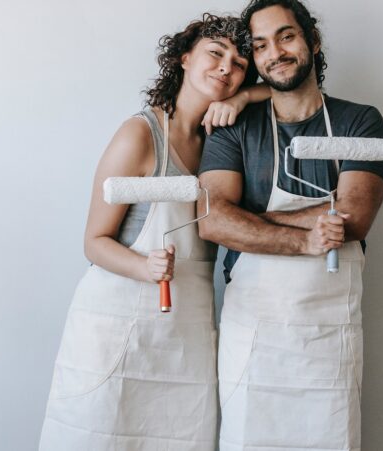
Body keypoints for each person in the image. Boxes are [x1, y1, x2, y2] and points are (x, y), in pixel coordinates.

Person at [39, 14, 268, 450]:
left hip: (187, 334)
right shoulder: (140, 135)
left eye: (239, 63)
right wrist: (145, 267)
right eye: (215, 53)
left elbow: (287, 91)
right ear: (184, 58)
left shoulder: (222, 143)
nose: (226, 67)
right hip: (116, 326)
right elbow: (93, 241)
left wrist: (244, 100)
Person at [197, 1, 383, 450]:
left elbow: (354, 218)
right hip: (253, 333)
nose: (274, 52)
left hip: (329, 339)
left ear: (312, 41)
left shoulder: (359, 120)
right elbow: (212, 220)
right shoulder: (233, 126)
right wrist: (307, 236)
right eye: (260, 45)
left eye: (286, 36)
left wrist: (250, 220)